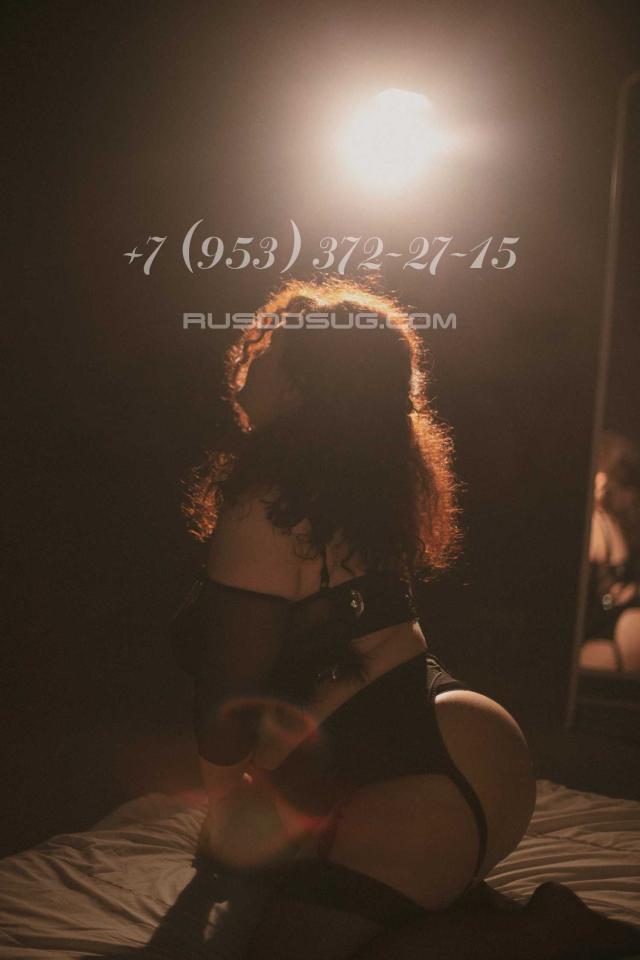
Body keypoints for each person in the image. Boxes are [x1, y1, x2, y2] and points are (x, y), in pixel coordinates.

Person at [170, 278, 640, 959]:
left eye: (269, 345)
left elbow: (227, 696)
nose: (250, 351)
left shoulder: (266, 506)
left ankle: (544, 932)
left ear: (302, 382)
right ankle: (492, 912)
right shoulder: (345, 495)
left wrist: (225, 807)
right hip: (461, 750)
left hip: (418, 774)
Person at [582, 430, 640, 673]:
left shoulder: (624, 525)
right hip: (596, 622)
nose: (632, 497)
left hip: (619, 614)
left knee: (632, 627)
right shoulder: (595, 522)